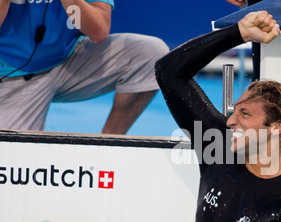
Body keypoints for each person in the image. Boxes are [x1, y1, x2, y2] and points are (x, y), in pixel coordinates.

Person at [156, 11, 281, 222]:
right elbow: (168, 72)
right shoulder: (216, 149)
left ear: (277, 127)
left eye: (245, 114)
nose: (230, 122)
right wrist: (238, 34)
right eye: (234, 111)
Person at [0, 0, 169, 134]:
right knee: (14, 162)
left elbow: (97, 32)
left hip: (66, 60)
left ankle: (110, 143)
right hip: (11, 75)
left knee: (151, 53)